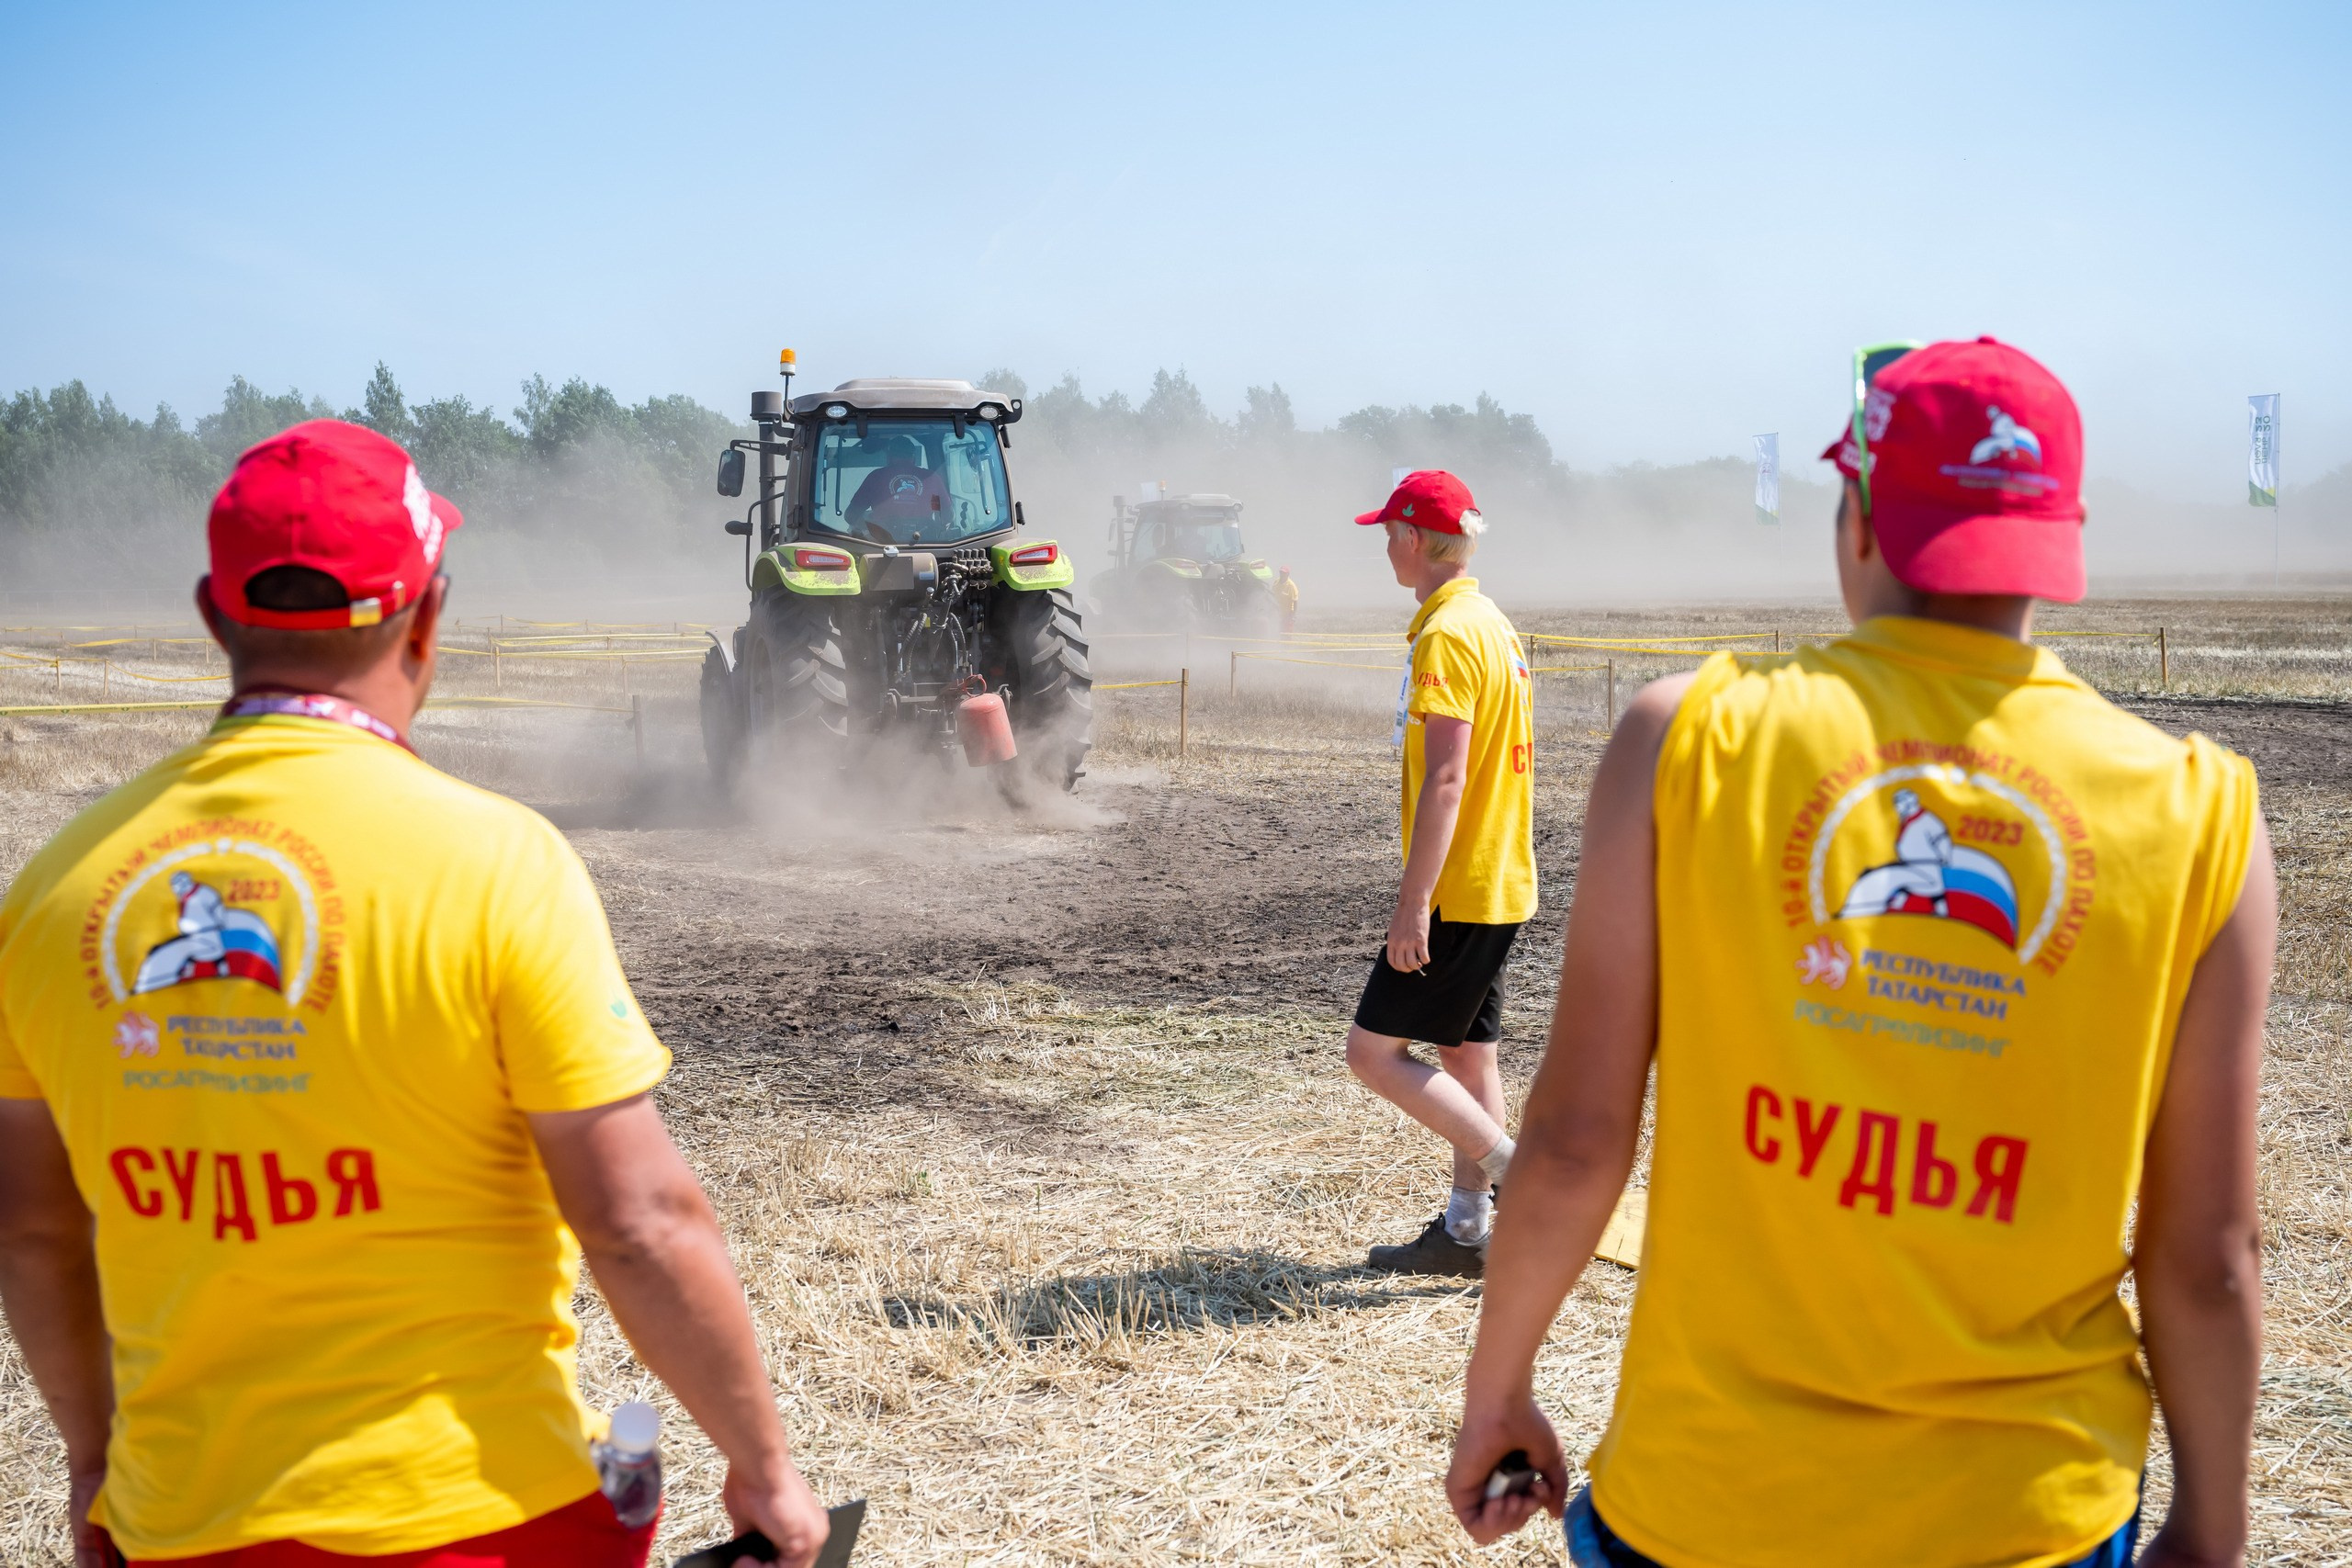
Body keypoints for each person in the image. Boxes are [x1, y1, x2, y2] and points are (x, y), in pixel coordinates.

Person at [1447, 339, 2269, 1568]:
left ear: (1860, 519)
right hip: (2031, 1513)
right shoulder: (2205, 813)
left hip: (1712, 1503)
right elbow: (2205, 1257)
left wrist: (1497, 1391)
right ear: (2061, 540)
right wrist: (2213, 1525)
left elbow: (1572, 1145)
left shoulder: (1687, 739)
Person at [0, 421, 831, 1568]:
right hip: (487, 1524)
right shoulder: (496, 865)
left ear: (212, 615)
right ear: (427, 616)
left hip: (180, 1530)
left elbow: (35, 1225)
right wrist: (767, 1468)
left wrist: (97, 1465)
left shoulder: (52, 892)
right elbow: (636, 1222)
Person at [1343, 470, 1537, 1277]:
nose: (1385, 544)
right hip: (1500, 879)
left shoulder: (1450, 636)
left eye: (1390, 531)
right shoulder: (1490, 621)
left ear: (1416, 540)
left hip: (1462, 886)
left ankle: (1517, 1175)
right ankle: (1467, 1236)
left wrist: (1413, 903)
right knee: (1468, 1057)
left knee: (1371, 1052)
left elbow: (1449, 778)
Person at [844, 432, 945, 543]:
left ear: (889, 457)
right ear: (913, 457)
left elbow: (850, 516)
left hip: (884, 546)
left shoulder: (876, 477)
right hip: (927, 546)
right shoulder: (931, 478)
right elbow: (947, 515)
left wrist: (871, 524)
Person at [1274, 565, 1300, 636]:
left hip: (1287, 615)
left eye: (1284, 573)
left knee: (1287, 634)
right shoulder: (1276, 582)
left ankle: (1287, 646)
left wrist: (1292, 616)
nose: (1282, 574)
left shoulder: (1291, 586)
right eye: (1281, 572)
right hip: (1277, 614)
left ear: (1288, 574)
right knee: (1277, 634)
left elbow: (1295, 602)